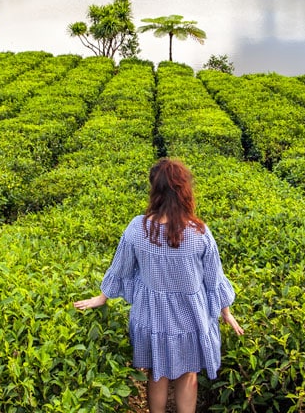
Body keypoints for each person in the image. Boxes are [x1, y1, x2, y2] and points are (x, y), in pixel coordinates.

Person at [74, 157, 243, 413]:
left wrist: (102, 297)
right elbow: (214, 278)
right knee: (188, 374)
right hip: (192, 318)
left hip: (153, 318)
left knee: (156, 373)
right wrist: (226, 312)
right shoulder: (199, 232)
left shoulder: (137, 228)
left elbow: (120, 268)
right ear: (184, 190)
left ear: (155, 190)